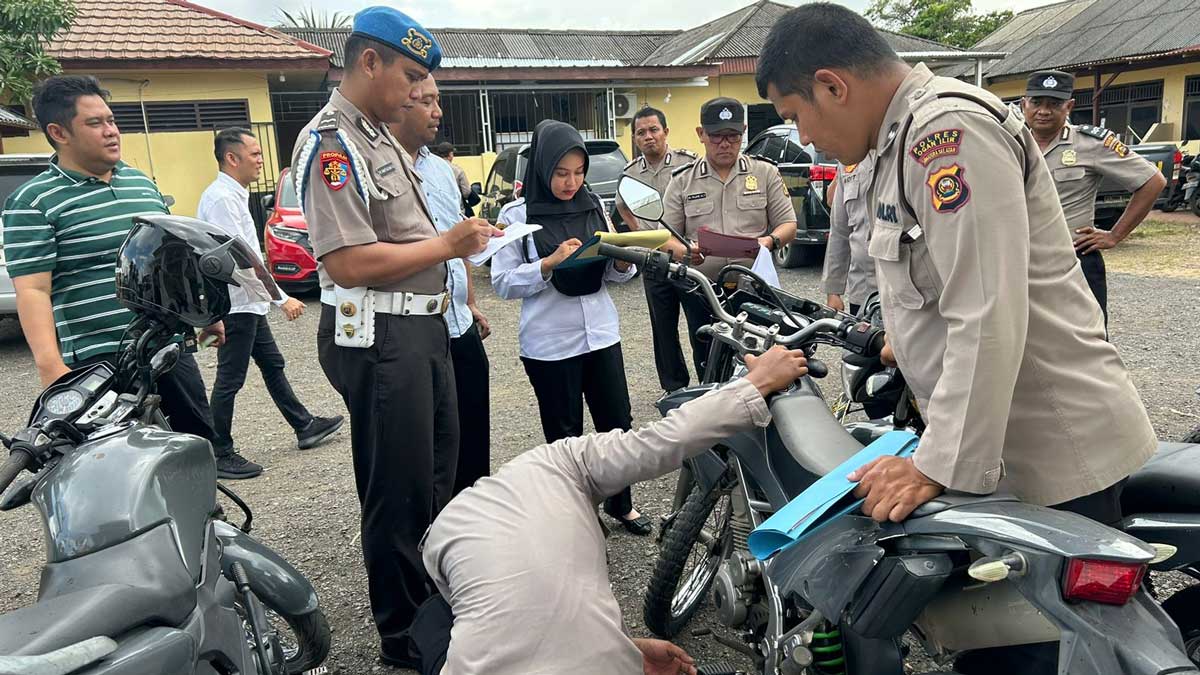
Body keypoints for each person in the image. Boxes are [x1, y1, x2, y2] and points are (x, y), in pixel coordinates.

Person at [757, 6, 1157, 673]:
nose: (804, 136)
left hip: (1049, 458)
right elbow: (941, 292)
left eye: (795, 114)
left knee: (1026, 658)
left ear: (832, 85)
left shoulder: (946, 132)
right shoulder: (893, 143)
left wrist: (932, 465)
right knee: (982, 645)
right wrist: (899, 345)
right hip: (997, 447)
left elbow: (985, 310)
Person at [290, 7, 498, 668]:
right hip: (379, 331)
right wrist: (449, 242)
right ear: (368, 62)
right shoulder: (333, 142)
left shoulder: (378, 136)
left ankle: (432, 603)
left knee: (435, 475)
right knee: (398, 488)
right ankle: (403, 636)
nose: (415, 92)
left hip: (419, 326)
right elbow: (347, 261)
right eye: (408, 75)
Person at [422, 345, 809, 675]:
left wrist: (629, 649)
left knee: (434, 620)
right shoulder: (559, 460)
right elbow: (662, 441)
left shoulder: (446, 532)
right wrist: (756, 384)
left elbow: (526, 618)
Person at [0, 75, 257, 479]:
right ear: (58, 132)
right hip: (97, 362)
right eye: (95, 123)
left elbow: (172, 260)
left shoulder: (142, 185)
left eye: (111, 119)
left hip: (166, 349)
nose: (111, 130)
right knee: (122, 471)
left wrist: (205, 316)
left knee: (196, 451)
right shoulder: (32, 203)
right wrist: (51, 366)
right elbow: (32, 288)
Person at [491, 119, 651, 536]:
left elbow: (615, 275)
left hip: (600, 334)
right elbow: (503, 282)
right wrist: (547, 265)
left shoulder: (594, 206)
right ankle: (578, 516)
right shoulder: (517, 215)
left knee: (617, 423)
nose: (571, 182)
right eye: (562, 173)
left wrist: (620, 262)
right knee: (565, 435)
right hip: (549, 343)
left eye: (579, 173)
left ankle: (622, 504)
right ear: (543, 169)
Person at [197, 128, 344, 467]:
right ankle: (219, 451)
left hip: (248, 302)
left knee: (273, 365)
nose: (261, 161)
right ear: (232, 158)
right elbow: (239, 256)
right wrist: (281, 298)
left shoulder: (231, 194)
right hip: (236, 304)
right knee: (230, 379)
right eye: (254, 154)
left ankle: (304, 425)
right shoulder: (221, 198)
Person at [390, 79, 492, 496]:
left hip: (458, 322)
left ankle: (473, 522)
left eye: (439, 101)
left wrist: (469, 301)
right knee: (426, 449)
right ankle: (433, 533)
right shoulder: (378, 164)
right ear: (399, 103)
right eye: (427, 102)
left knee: (473, 432)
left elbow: (457, 244)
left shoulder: (441, 170)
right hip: (414, 328)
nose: (438, 112)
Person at [660, 97, 797, 379]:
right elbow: (665, 238)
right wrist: (685, 251)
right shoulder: (682, 180)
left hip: (754, 288)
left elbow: (788, 224)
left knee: (757, 361)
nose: (725, 144)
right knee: (707, 359)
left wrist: (768, 242)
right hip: (703, 290)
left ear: (743, 132)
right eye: (716, 136)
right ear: (701, 134)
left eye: (733, 136)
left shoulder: (764, 173)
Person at [1020, 70, 1166, 324]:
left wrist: (1115, 235)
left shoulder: (1090, 143)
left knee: (1089, 338)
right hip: (1020, 260)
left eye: (1054, 104)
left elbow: (1152, 181)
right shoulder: (1012, 143)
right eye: (1036, 102)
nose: (1043, 110)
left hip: (1073, 258)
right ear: (1024, 104)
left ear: (1069, 106)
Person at [615, 107, 698, 395]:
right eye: (641, 132)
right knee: (663, 327)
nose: (648, 136)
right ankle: (675, 388)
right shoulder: (630, 173)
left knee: (700, 323)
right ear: (635, 139)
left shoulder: (688, 165)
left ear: (666, 131)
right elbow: (622, 205)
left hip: (687, 259)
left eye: (653, 130)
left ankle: (712, 381)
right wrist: (638, 231)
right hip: (653, 260)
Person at [822, 158, 877, 315]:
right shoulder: (848, 159)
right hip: (862, 289)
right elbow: (839, 231)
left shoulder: (899, 150)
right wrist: (833, 291)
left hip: (903, 294)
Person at [430, 142, 478, 217]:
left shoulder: (431, 169)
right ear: (450, 154)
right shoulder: (457, 170)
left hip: (438, 212)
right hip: (457, 210)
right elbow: (466, 192)